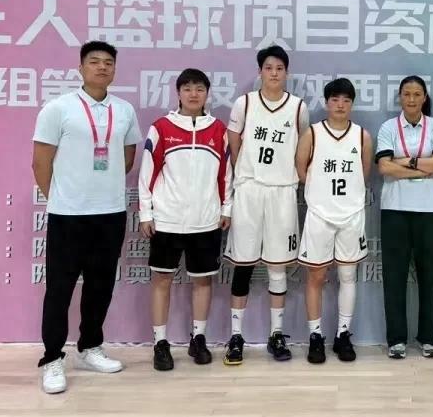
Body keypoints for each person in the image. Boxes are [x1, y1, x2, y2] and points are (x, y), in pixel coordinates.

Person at [31, 41, 141, 394]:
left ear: (115, 69)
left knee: (100, 285)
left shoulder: (124, 110)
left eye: (108, 62)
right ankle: (52, 358)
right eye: (94, 61)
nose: (102, 67)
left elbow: (127, 158)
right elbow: (40, 161)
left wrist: (100, 187)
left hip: (110, 212)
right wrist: (61, 198)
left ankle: (90, 346)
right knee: (59, 289)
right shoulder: (58, 108)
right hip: (68, 215)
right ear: (80, 68)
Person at [137, 69, 232, 371]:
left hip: (206, 220)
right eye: (187, 88)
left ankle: (198, 338)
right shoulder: (162, 128)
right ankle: (160, 342)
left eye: (199, 88)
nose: (193, 94)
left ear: (207, 94)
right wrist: (146, 212)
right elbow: (147, 172)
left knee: (203, 280)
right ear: (178, 92)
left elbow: (226, 174)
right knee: (161, 280)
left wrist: (226, 208)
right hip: (166, 220)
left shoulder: (218, 130)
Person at [223, 46, 309, 365]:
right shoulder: (244, 103)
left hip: (282, 190)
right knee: (243, 264)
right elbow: (234, 143)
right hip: (250, 189)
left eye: (279, 68)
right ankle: (236, 336)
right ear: (260, 71)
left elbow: (303, 148)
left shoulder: (298, 107)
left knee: (277, 265)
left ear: (287, 73)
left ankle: (276, 334)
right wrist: (245, 174)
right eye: (269, 67)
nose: (274, 73)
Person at [296, 78, 374, 364]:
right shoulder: (313, 134)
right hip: (320, 214)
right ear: (326, 102)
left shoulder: (362, 136)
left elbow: (364, 174)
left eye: (346, 100)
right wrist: (320, 197)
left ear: (352, 104)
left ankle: (343, 335)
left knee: (347, 275)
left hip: (351, 215)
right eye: (335, 99)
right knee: (316, 276)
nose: (340, 105)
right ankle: (315, 336)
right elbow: (301, 170)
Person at [376, 76, 433, 360]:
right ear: (400, 97)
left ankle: (428, 338)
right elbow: (384, 167)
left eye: (417, 94)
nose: (411, 99)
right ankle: (396, 339)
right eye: (406, 94)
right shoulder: (388, 128)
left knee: (429, 277)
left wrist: (406, 162)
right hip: (395, 209)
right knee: (394, 276)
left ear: (424, 97)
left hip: (431, 211)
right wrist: (423, 167)